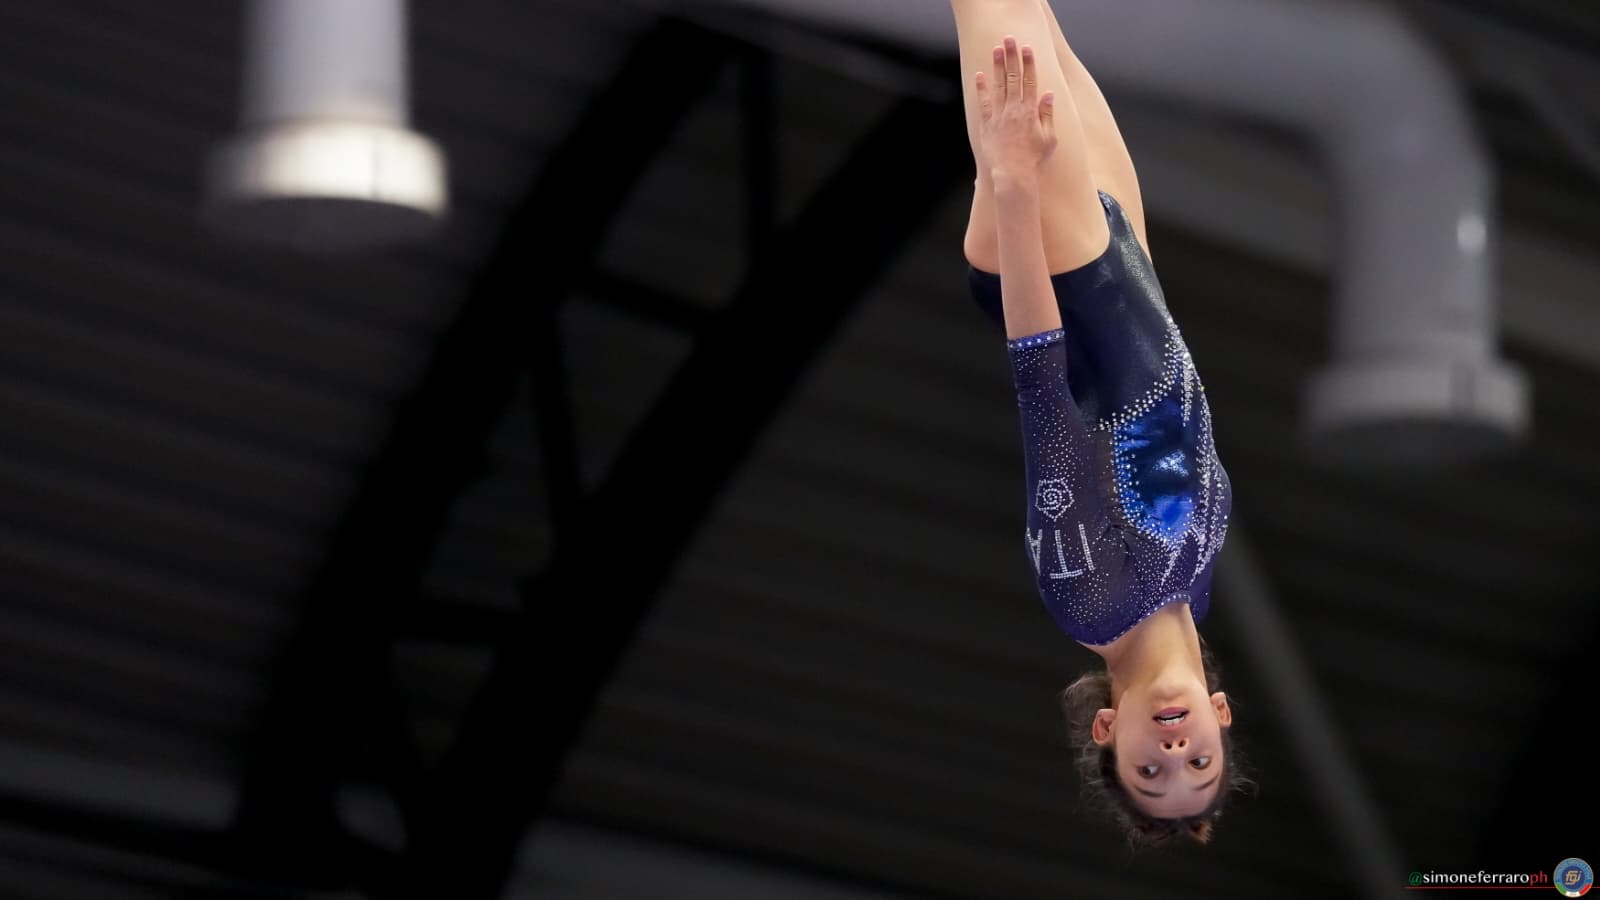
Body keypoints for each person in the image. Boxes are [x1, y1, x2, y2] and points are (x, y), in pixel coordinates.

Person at [951, 0, 1251, 845]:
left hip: (1053, 265)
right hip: (1116, 254)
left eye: (1149, 772)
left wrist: (1015, 186)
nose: (1175, 752)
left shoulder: (1091, 598)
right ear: (1222, 714)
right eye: (1200, 763)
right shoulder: (1192, 586)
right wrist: (1127, 246)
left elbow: (1042, 390)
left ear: (1107, 731)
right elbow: (1159, 390)